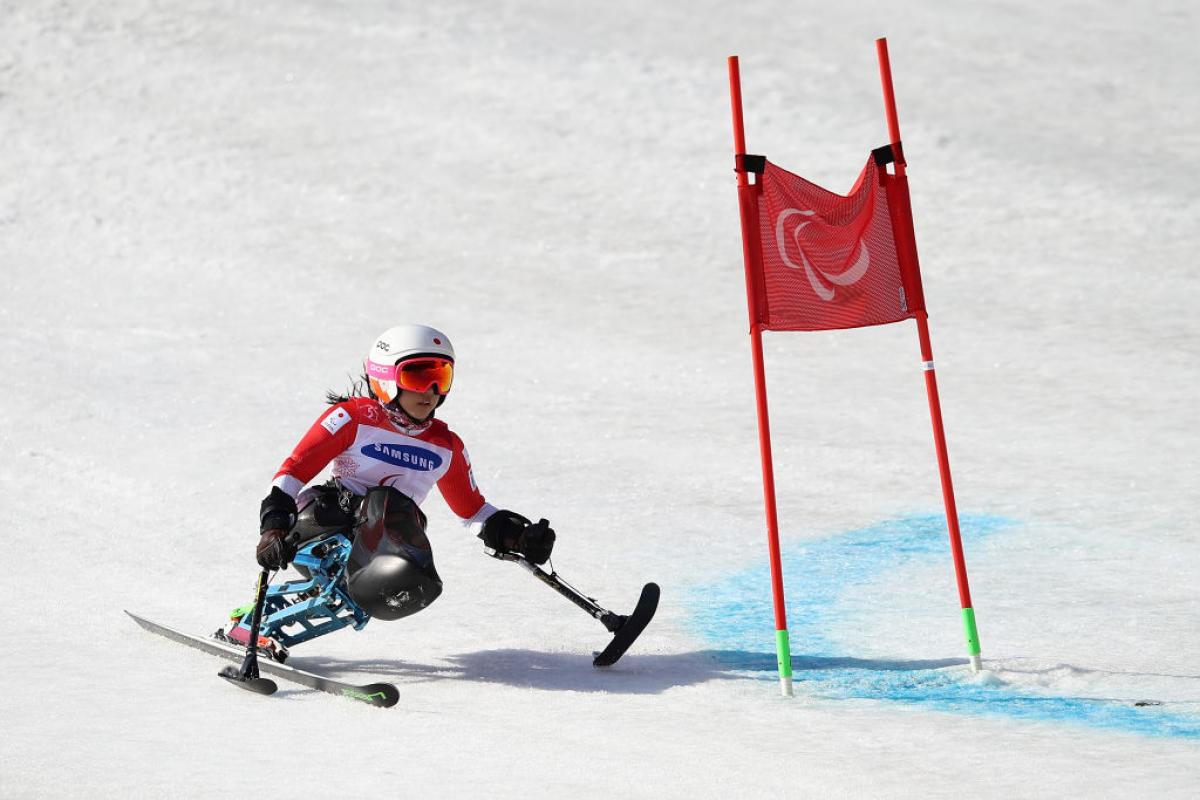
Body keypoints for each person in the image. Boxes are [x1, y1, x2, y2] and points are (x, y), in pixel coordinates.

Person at [252, 323, 556, 623]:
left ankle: (294, 615)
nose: (432, 391)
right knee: (388, 503)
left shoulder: (445, 447)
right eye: (418, 377)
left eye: (441, 377)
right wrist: (273, 527)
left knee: (403, 517)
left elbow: (473, 512)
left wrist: (518, 537)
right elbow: (293, 472)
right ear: (386, 378)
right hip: (319, 525)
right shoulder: (353, 418)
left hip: (383, 543)